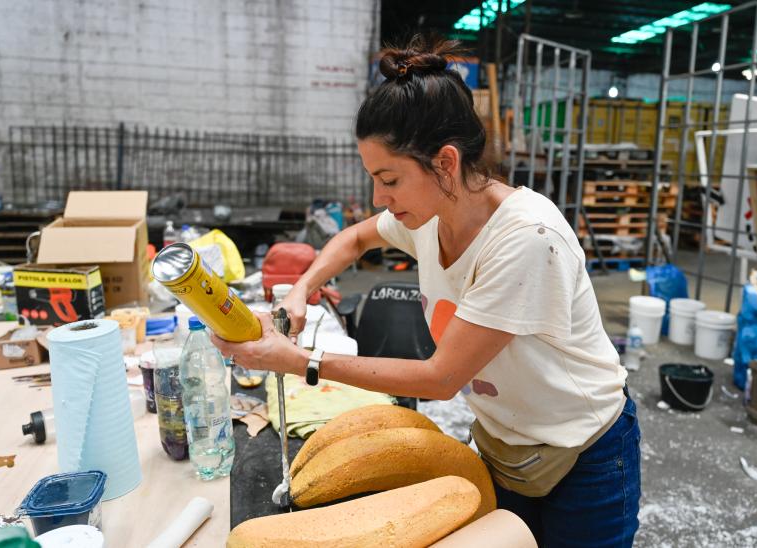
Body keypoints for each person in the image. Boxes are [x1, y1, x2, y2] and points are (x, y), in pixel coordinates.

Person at [213, 35, 641, 547]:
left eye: (389, 178)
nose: (378, 197)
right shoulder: (429, 216)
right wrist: (301, 289)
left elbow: (440, 379)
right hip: (506, 444)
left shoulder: (526, 238)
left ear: (445, 162)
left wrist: (299, 360)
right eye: (373, 178)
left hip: (583, 452)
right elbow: (353, 238)